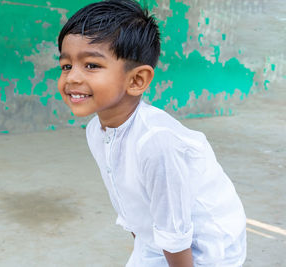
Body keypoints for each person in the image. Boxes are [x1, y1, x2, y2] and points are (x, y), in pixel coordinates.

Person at [57, 0, 246, 266]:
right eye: (66, 66)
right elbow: (127, 201)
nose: (71, 78)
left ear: (137, 80)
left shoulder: (156, 143)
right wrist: (143, 249)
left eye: (91, 65)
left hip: (208, 248)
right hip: (160, 241)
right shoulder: (96, 131)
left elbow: (176, 233)